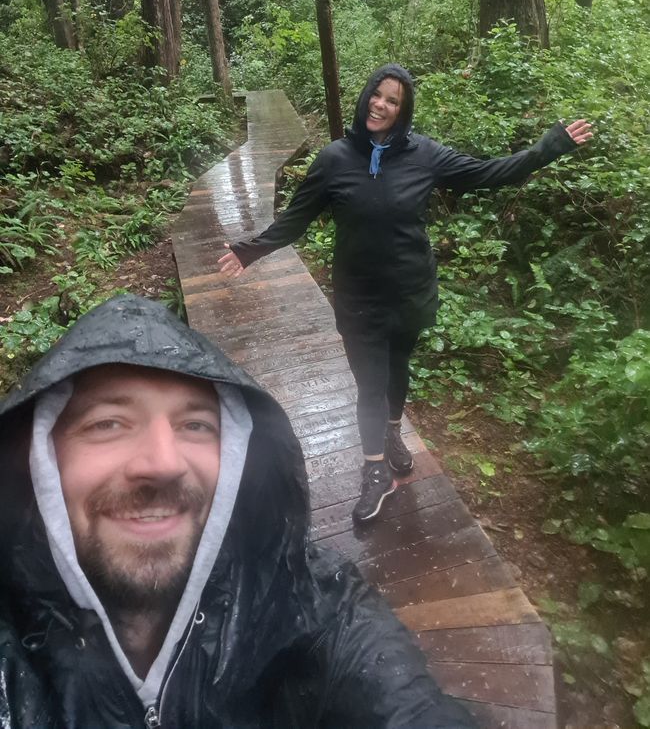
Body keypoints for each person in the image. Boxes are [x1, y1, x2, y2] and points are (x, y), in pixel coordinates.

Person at [0, 293, 476, 728]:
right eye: (108, 423)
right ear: (38, 459)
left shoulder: (315, 602)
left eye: (195, 425)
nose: (164, 463)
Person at [219, 63, 593, 524]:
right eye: (377, 94)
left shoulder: (425, 156)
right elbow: (297, 217)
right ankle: (374, 469)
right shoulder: (334, 159)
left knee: (398, 370)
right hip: (359, 298)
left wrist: (549, 147)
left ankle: (392, 433)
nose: (381, 104)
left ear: (403, 110)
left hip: (411, 293)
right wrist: (249, 251)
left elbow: (490, 173)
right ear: (365, 97)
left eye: (393, 101)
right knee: (369, 383)